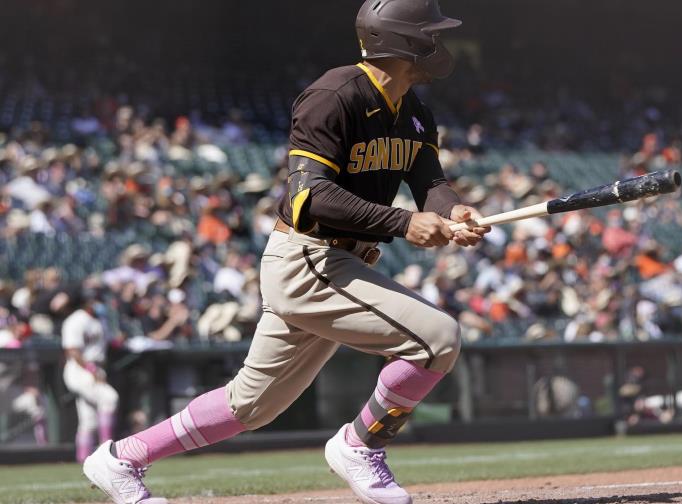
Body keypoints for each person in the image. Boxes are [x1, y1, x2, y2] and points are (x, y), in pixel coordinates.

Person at [82, 1, 488, 503]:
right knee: (438, 339)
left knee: (250, 406)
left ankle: (123, 458)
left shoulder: (414, 110)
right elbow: (309, 196)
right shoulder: (334, 96)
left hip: (338, 262)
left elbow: (430, 183)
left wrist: (453, 211)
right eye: (431, 33)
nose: (439, 43)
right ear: (404, 41)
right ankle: (359, 446)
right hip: (309, 258)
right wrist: (404, 223)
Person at [62, 290, 119, 462]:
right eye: (95, 300)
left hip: (95, 367)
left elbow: (111, 341)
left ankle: (83, 459)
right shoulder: (75, 320)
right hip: (80, 369)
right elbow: (72, 350)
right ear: (86, 301)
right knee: (109, 398)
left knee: (89, 420)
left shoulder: (100, 320)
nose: (99, 303)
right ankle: (107, 452)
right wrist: (91, 369)